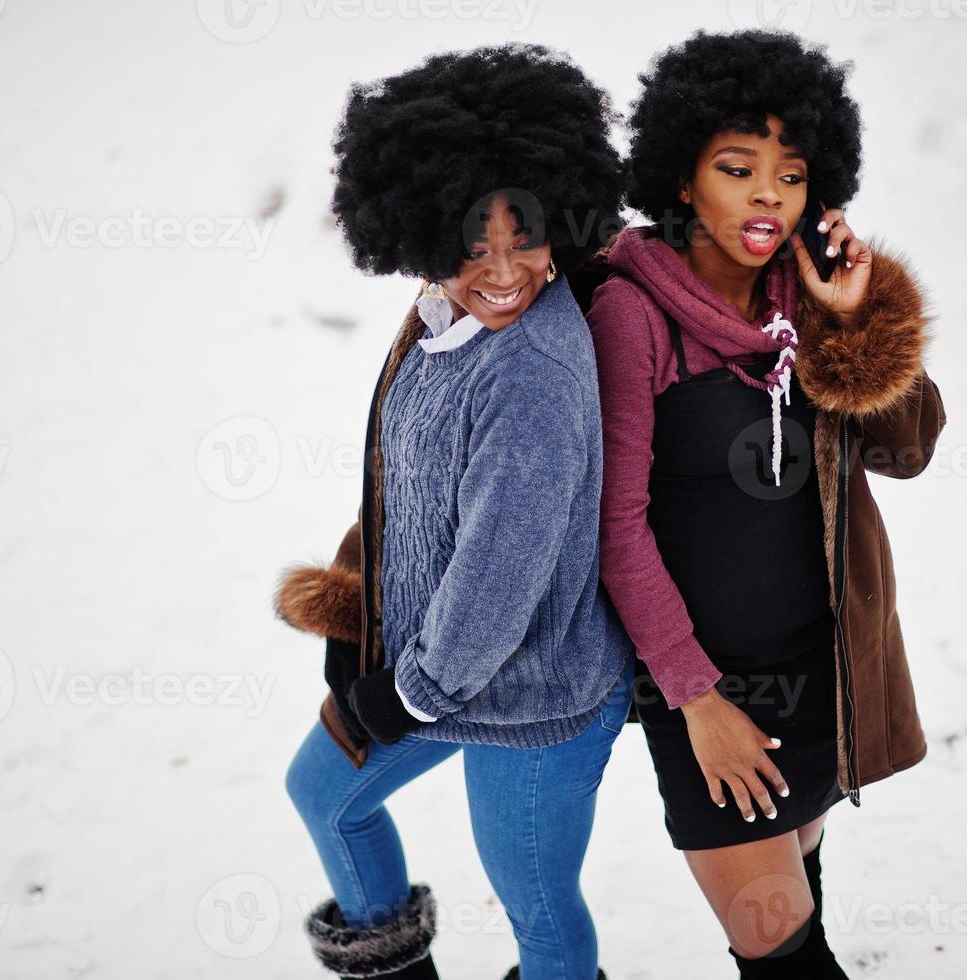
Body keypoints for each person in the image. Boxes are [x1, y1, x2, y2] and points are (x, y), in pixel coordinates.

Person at [586, 29, 947, 978]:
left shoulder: (810, 297)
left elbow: (907, 450)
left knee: (800, 892)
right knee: (776, 938)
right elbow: (613, 528)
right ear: (680, 179)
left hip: (816, 669)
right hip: (701, 687)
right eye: (737, 168)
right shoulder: (634, 312)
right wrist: (697, 701)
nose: (766, 196)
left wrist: (853, 317)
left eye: (789, 176)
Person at [275, 43, 632, 980]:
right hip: (434, 665)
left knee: (538, 909)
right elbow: (408, 489)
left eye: (527, 235)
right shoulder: (440, 320)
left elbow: (497, 572)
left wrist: (409, 694)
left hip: (534, 698)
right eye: (475, 244)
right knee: (325, 793)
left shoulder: (532, 377)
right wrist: (366, 613)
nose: (505, 269)